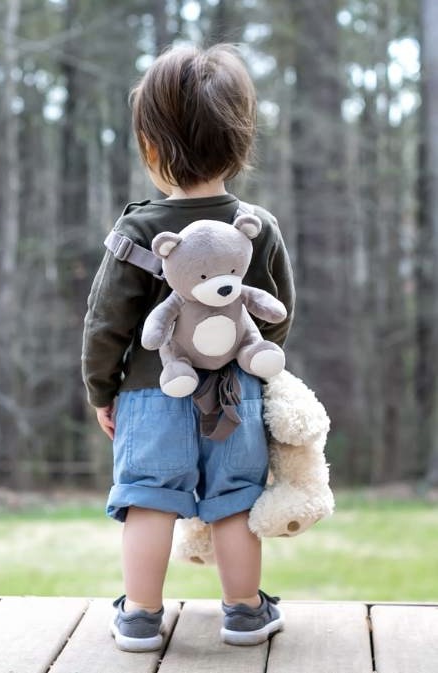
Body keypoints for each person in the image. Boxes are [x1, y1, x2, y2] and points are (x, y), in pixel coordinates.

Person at [81, 43, 295, 652]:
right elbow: (277, 310)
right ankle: (245, 613)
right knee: (234, 502)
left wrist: (102, 391)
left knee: (148, 500)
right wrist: (251, 367)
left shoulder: (136, 231)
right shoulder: (256, 226)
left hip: (151, 394)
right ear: (241, 140)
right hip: (234, 396)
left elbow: (106, 324)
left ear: (150, 146)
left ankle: (140, 617)